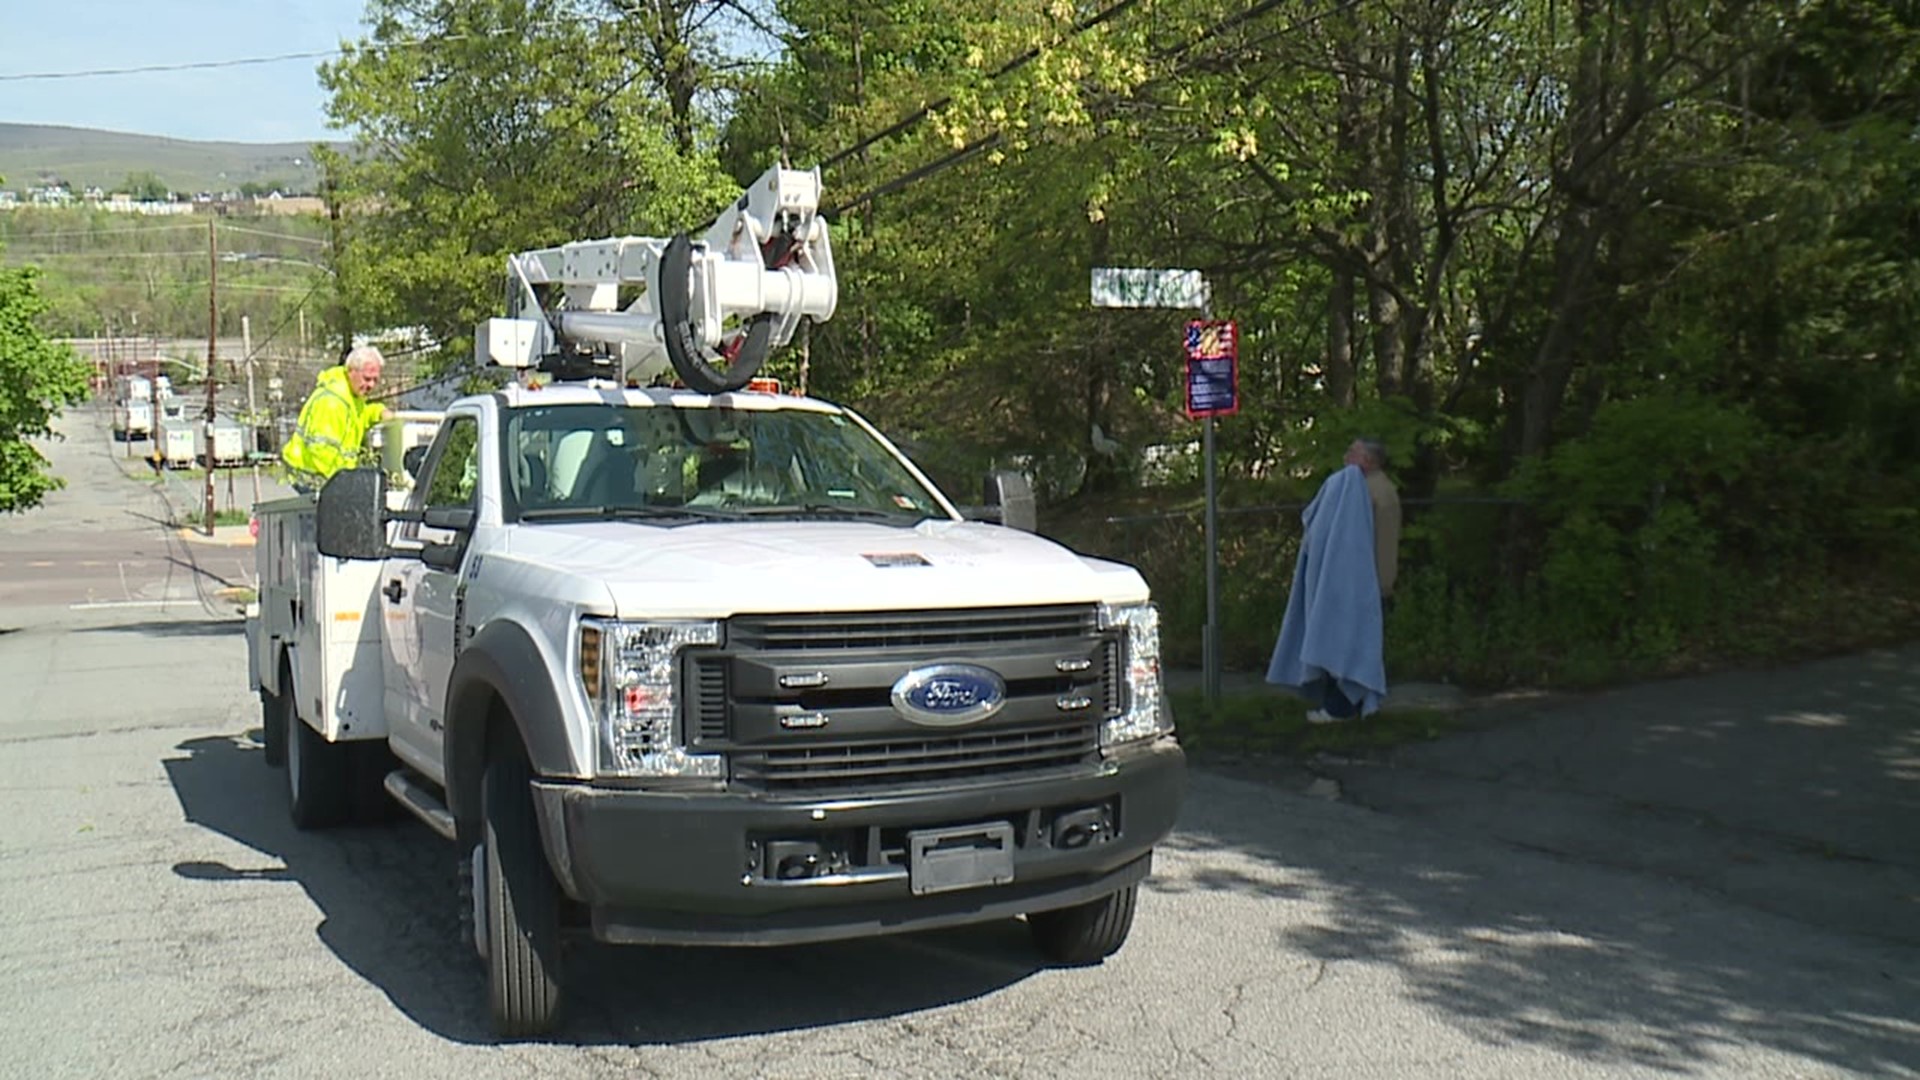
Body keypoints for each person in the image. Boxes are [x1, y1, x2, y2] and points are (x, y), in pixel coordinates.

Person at [1264, 437, 1402, 724]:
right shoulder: (1363, 489)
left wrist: (1378, 585)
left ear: (1368, 460)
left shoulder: (1370, 492)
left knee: (1347, 642)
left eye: (1353, 452)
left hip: (1362, 586)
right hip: (1358, 583)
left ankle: (1341, 707)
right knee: (1347, 641)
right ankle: (1347, 703)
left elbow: (1378, 546)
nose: (1346, 457)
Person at [280, 346, 387, 492]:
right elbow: (322, 452)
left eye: (375, 380)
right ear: (351, 371)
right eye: (367, 379)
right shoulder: (332, 402)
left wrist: (379, 412)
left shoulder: (351, 395)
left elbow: (358, 416)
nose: (371, 385)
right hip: (311, 478)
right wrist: (342, 486)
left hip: (327, 476)